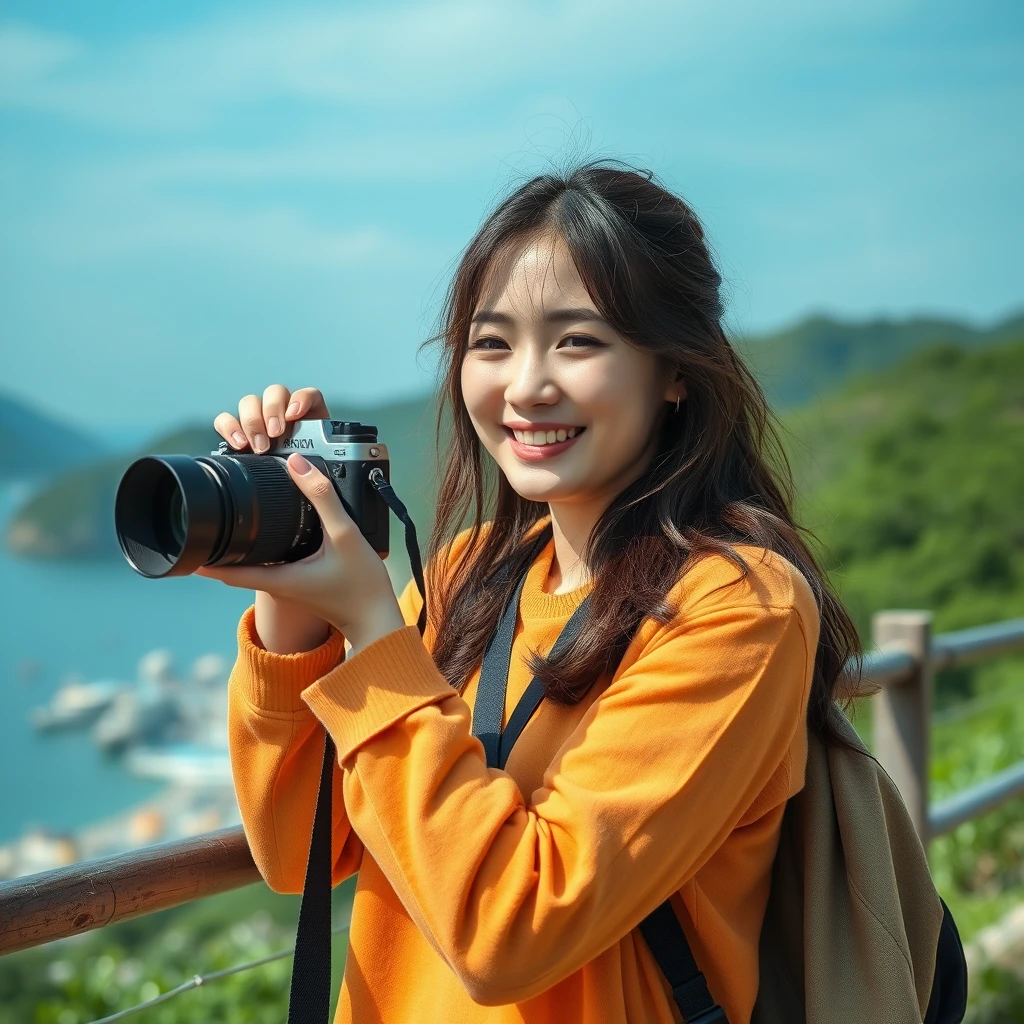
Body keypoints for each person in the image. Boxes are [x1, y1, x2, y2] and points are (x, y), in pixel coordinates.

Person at [198, 162, 862, 1023]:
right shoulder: (471, 574)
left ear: (676, 369)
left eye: (579, 341)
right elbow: (302, 850)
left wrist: (369, 622)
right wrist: (290, 594)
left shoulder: (738, 609)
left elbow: (512, 933)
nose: (525, 386)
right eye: (492, 342)